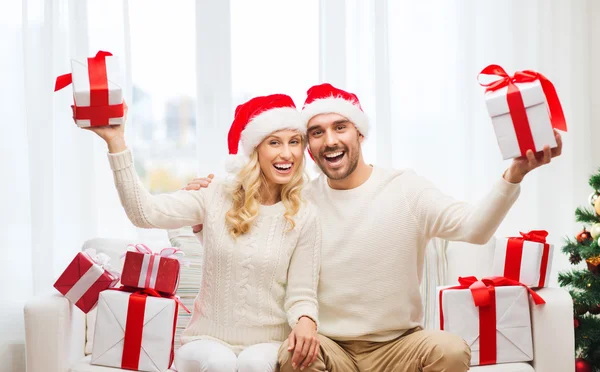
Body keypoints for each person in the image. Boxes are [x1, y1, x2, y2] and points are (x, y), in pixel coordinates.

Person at [185, 83, 563, 372]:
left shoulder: (406, 189)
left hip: (398, 344)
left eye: (340, 127)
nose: (330, 140)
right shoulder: (300, 201)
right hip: (328, 344)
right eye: (316, 133)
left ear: (359, 134)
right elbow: (246, 236)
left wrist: (514, 175)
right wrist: (209, 201)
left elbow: (475, 229)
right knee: (292, 356)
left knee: (450, 350)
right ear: (308, 148)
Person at [76, 94, 322, 372]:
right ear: (254, 150)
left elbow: (302, 292)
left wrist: (306, 321)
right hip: (206, 340)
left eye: (294, 142)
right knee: (220, 363)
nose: (286, 154)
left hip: (268, 343)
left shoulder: (304, 215)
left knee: (254, 364)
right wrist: (116, 141)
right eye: (274, 142)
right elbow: (144, 213)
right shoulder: (214, 194)